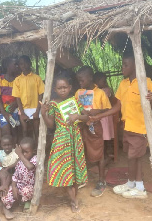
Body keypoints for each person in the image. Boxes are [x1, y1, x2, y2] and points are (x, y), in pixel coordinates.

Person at [91, 51, 152, 199]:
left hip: (140, 128)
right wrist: (100, 115)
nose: (122, 68)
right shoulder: (123, 84)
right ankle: (132, 184)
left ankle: (139, 187)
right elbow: (117, 107)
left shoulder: (145, 82)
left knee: (135, 157)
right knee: (132, 157)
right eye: (122, 65)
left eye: (125, 65)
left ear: (135, 66)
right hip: (127, 127)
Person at [40, 75, 89, 212]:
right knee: (66, 168)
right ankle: (74, 201)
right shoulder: (53, 104)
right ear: (55, 89)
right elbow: (50, 125)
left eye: (65, 87)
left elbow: (87, 117)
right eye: (59, 88)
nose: (62, 90)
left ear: (70, 88)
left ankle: (74, 198)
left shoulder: (75, 101)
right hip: (61, 140)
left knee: (75, 168)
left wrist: (77, 116)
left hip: (75, 139)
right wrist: (43, 114)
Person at [75, 66, 111, 197]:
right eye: (78, 80)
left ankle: (101, 181)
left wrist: (98, 111)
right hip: (81, 126)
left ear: (90, 78)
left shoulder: (100, 93)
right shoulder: (78, 92)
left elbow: (108, 109)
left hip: (94, 127)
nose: (80, 83)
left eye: (81, 80)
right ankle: (81, 178)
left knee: (98, 153)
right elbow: (76, 107)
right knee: (81, 152)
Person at [1, 137, 37, 218]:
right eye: (22, 152)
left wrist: (20, 155)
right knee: (5, 197)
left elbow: (30, 167)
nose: (23, 154)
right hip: (19, 187)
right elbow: (15, 175)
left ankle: (26, 201)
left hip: (29, 188)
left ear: (33, 151)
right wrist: (13, 187)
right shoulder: (19, 161)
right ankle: (11, 205)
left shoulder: (35, 159)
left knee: (26, 191)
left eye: (26, 152)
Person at [12, 55, 45, 139]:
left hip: (35, 107)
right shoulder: (17, 80)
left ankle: (37, 149)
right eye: (21, 64)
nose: (24, 66)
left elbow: (41, 94)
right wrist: (22, 113)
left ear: (30, 63)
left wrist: (37, 111)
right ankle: (26, 149)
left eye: (26, 63)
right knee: (25, 130)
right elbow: (17, 97)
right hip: (23, 109)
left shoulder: (37, 78)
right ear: (19, 66)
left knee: (36, 130)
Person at [0, 57, 20, 138]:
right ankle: (8, 148)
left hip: (15, 109)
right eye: (15, 64)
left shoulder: (18, 79)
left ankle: (15, 148)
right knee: (6, 131)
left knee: (15, 131)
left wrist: (15, 103)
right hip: (4, 109)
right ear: (8, 66)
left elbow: (21, 95)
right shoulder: (0, 80)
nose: (17, 66)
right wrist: (4, 112)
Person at [94, 72, 115, 157]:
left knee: (105, 135)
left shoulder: (105, 90)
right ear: (97, 81)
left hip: (105, 116)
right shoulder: (93, 90)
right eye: (103, 81)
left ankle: (107, 152)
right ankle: (101, 153)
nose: (105, 82)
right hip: (97, 116)